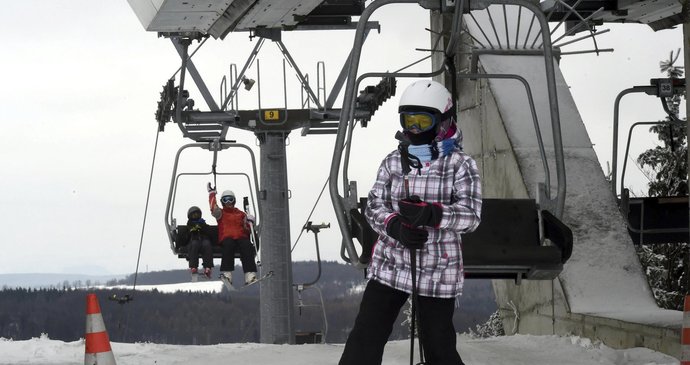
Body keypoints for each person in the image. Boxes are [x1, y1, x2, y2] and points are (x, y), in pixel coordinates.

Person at [339, 80, 482, 365]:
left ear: (442, 122)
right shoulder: (393, 162)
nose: (414, 129)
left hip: (437, 268)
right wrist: (394, 226)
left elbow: (472, 215)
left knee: (438, 344)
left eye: (422, 121)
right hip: (391, 263)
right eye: (409, 121)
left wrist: (434, 214)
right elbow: (375, 205)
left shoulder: (460, 164)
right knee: (365, 336)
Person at [207, 184, 258, 289]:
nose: (228, 202)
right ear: (222, 202)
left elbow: (248, 229)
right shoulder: (220, 213)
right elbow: (213, 209)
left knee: (247, 246)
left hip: (241, 237)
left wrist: (250, 222)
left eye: (230, 199)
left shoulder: (241, 214)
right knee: (228, 245)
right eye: (225, 200)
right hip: (227, 237)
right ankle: (227, 274)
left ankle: (250, 275)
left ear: (234, 201)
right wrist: (212, 194)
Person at [184, 206, 214, 281]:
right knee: (194, 245)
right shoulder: (189, 225)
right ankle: (193, 267)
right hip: (194, 240)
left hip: (204, 240)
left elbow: (210, 232)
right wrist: (192, 231)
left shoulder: (203, 223)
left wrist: (203, 228)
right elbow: (185, 236)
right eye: (193, 215)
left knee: (207, 245)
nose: (195, 216)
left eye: (197, 214)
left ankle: (208, 267)